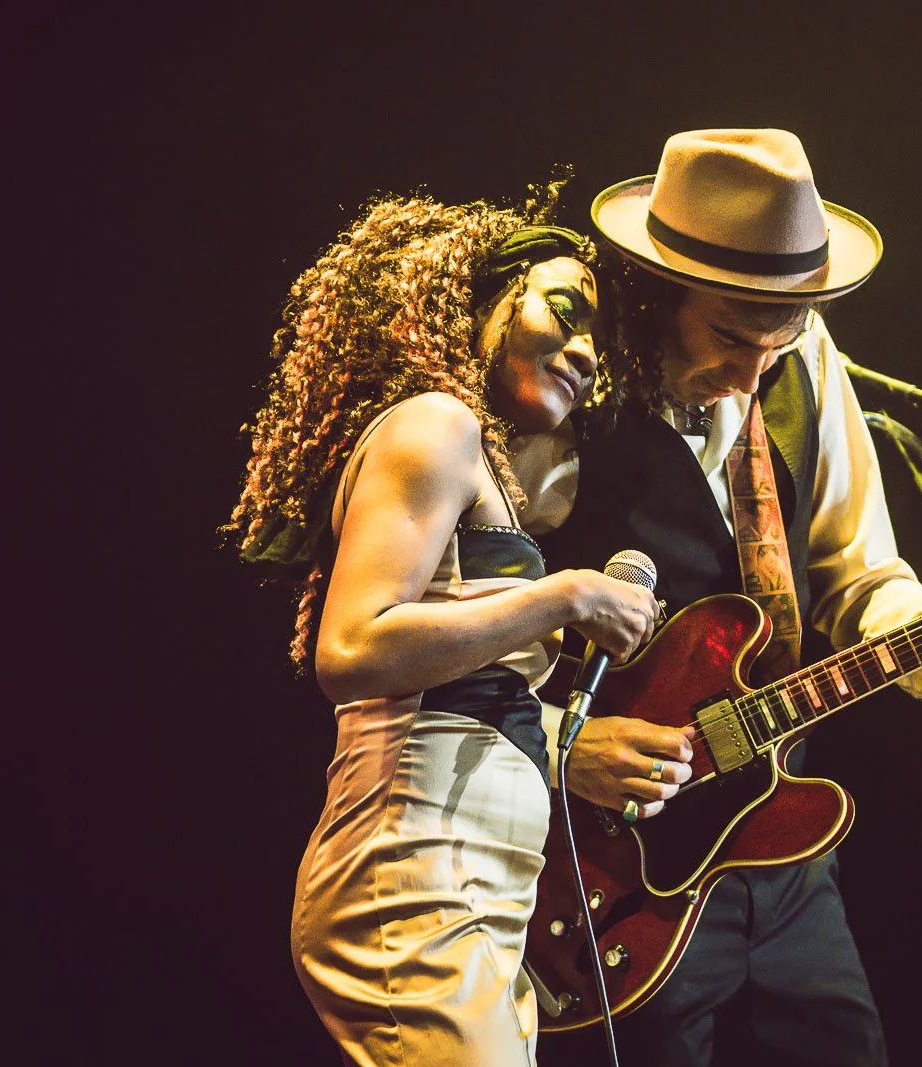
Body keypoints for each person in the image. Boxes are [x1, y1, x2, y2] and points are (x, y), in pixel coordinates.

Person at [511, 128, 922, 1066]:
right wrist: (562, 746)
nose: (754, 370)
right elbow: (439, 629)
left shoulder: (803, 356)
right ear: (654, 290)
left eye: (780, 337)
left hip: (781, 839)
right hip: (607, 865)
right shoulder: (562, 379)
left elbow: (863, 577)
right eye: (727, 335)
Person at [225, 189, 660, 1066]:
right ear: (479, 296)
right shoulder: (437, 423)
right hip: (414, 867)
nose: (584, 351)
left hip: (474, 891)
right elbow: (351, 649)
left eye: (598, 346)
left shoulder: (486, 470)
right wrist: (566, 596)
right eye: (563, 309)